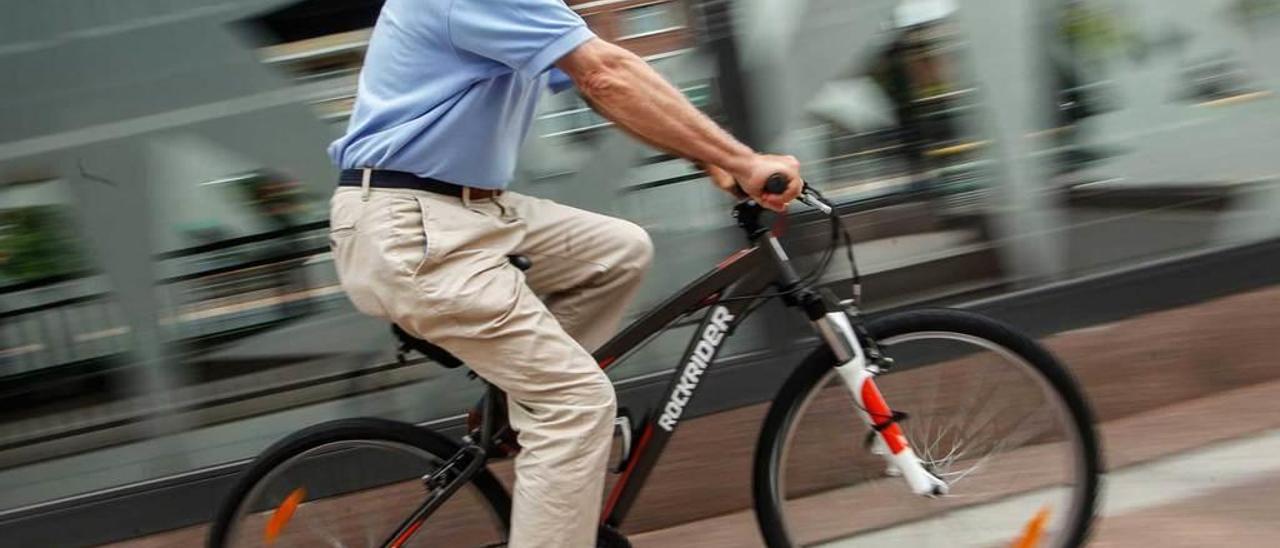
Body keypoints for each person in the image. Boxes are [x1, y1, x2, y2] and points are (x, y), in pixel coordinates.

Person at [326, 1, 802, 546]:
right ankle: (548, 412)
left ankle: (518, 401)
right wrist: (743, 160)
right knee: (575, 407)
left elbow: (599, 84)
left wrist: (711, 161)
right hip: (414, 223)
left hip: (463, 212)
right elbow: (604, 74)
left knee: (617, 250)